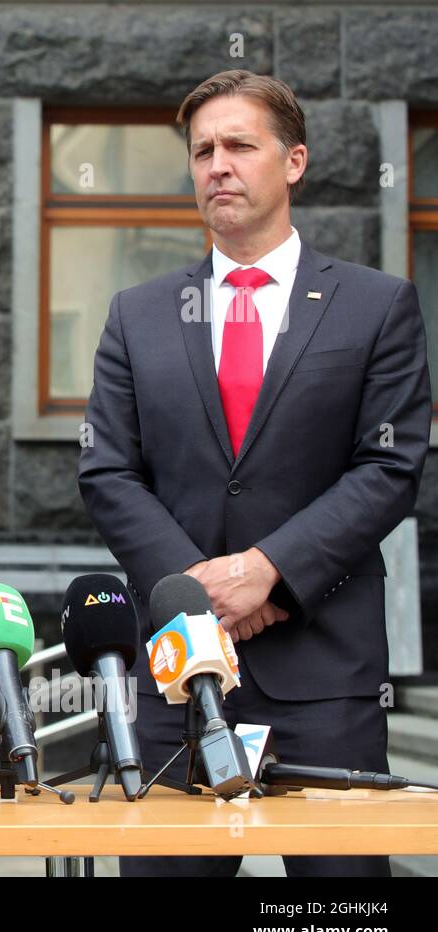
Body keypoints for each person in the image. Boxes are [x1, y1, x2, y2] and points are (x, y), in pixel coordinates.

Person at [78, 69, 431, 876]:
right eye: (202, 151)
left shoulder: (376, 307)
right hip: (178, 679)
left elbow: (391, 467)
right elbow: (106, 471)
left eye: (239, 145)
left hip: (326, 680)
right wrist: (202, 595)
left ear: (295, 161)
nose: (217, 166)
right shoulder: (139, 315)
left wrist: (268, 573)